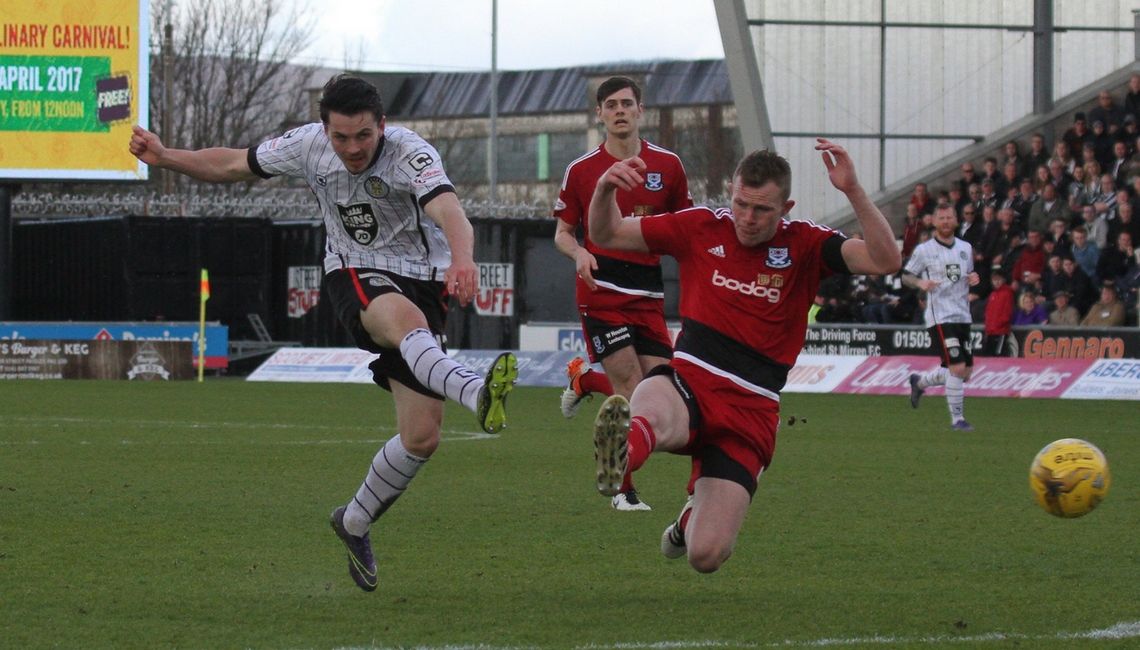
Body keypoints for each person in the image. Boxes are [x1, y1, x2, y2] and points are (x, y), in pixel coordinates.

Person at [130, 74, 519, 592]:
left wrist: (465, 260)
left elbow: (450, 210)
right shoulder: (306, 146)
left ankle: (353, 522)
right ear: (324, 129)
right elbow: (231, 163)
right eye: (341, 137)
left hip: (423, 281)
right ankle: (477, 389)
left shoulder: (409, 152)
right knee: (405, 321)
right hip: (353, 271)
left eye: (363, 136)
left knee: (422, 437)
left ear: (382, 126)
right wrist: (165, 156)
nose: (352, 148)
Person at [581, 140, 899, 573]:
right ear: (730, 191)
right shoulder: (700, 226)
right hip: (692, 378)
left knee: (705, 556)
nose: (747, 219)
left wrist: (854, 191)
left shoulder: (806, 244)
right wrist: (603, 190)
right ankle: (621, 455)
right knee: (650, 405)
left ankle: (689, 519)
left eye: (762, 210)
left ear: (785, 207)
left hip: (752, 407)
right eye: (740, 204)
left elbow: (886, 260)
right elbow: (606, 233)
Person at [551, 77, 694, 511]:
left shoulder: (668, 166)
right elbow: (562, 233)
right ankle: (623, 492)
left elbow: (685, 230)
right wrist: (577, 253)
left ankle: (584, 379)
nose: (619, 111)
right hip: (601, 289)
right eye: (610, 104)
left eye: (626, 104)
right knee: (632, 392)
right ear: (600, 114)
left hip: (647, 291)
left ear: (640, 111)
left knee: (666, 392)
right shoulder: (581, 170)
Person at [903, 205, 981, 431]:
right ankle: (958, 420)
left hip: (962, 315)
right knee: (956, 368)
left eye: (950, 217)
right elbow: (907, 275)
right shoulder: (925, 249)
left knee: (964, 374)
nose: (946, 221)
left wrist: (974, 277)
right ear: (934, 222)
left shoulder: (965, 247)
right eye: (942, 218)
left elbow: (968, 276)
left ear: (956, 220)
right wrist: (920, 283)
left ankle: (920, 382)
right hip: (940, 316)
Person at [984, 271, 1015, 356]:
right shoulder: (993, 294)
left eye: (999, 279)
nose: (996, 282)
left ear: (1003, 280)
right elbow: (988, 311)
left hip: (1000, 331)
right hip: (990, 331)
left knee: (998, 355)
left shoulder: (1007, 293)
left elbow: (1007, 311)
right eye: (994, 280)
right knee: (988, 355)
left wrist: (999, 324)